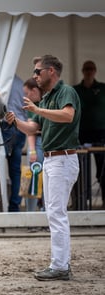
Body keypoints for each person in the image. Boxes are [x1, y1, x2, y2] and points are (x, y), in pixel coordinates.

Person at [5, 54, 81, 281]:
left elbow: (68, 116)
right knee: (53, 213)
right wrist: (15, 121)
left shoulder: (66, 92)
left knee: (56, 213)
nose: (35, 75)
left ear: (51, 72)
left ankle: (60, 266)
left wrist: (37, 110)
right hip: (51, 160)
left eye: (38, 71)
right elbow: (31, 129)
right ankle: (60, 264)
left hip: (62, 158)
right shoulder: (47, 99)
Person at [74, 60, 105, 208]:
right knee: (80, 170)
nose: (88, 71)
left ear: (95, 71)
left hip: (101, 133)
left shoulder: (102, 88)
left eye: (91, 69)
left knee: (103, 169)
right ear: (82, 70)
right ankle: (80, 203)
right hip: (81, 133)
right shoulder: (76, 90)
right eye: (86, 69)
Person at [0, 75, 27, 212]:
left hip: (6, 126)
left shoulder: (1, 81)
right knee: (16, 170)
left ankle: (0, 205)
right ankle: (14, 206)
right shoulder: (21, 83)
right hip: (20, 127)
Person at [23, 78, 44, 212]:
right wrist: (32, 150)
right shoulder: (31, 105)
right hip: (38, 141)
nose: (26, 97)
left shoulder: (43, 102)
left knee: (37, 178)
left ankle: (41, 212)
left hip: (42, 141)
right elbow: (31, 131)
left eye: (27, 93)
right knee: (31, 177)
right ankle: (30, 213)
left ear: (35, 90)